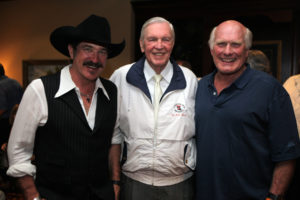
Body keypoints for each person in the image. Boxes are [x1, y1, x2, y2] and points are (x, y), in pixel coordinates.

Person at [6, 14, 125, 200]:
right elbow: (18, 150)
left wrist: (115, 182)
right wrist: (33, 196)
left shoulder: (112, 92)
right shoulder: (40, 90)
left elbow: (114, 138)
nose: (95, 59)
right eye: (88, 49)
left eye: (102, 52)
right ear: (71, 51)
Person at [195, 20, 300, 200]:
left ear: (246, 51)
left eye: (235, 44)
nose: (227, 51)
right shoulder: (198, 88)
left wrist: (273, 197)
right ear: (212, 50)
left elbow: (287, 155)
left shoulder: (270, 90)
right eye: (221, 44)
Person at [110, 17, 198, 200]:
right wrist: (115, 181)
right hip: (134, 182)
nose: (159, 45)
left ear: (172, 44)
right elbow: (113, 134)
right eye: (152, 39)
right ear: (142, 45)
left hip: (179, 184)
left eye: (165, 39)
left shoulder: (190, 80)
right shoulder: (121, 77)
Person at [0, 64, 23, 149]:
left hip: (4, 123)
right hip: (18, 121)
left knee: (4, 151)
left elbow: (2, 108)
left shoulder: (0, 85)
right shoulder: (15, 82)